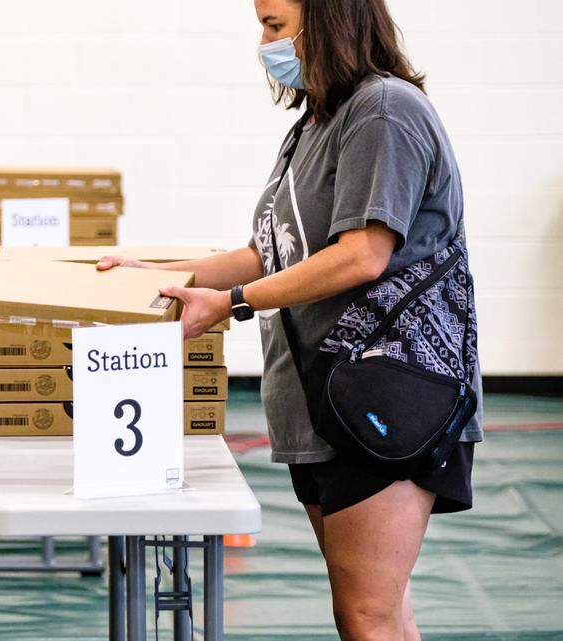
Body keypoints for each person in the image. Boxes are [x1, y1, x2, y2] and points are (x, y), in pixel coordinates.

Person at [99, 1, 482, 639]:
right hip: (322, 401)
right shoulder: (317, 123)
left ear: (330, 18)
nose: (264, 42)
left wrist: (234, 302)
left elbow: (363, 254)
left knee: (367, 615)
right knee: (379, 612)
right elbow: (268, 253)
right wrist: (159, 272)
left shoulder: (384, 112)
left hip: (384, 394)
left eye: (275, 25)